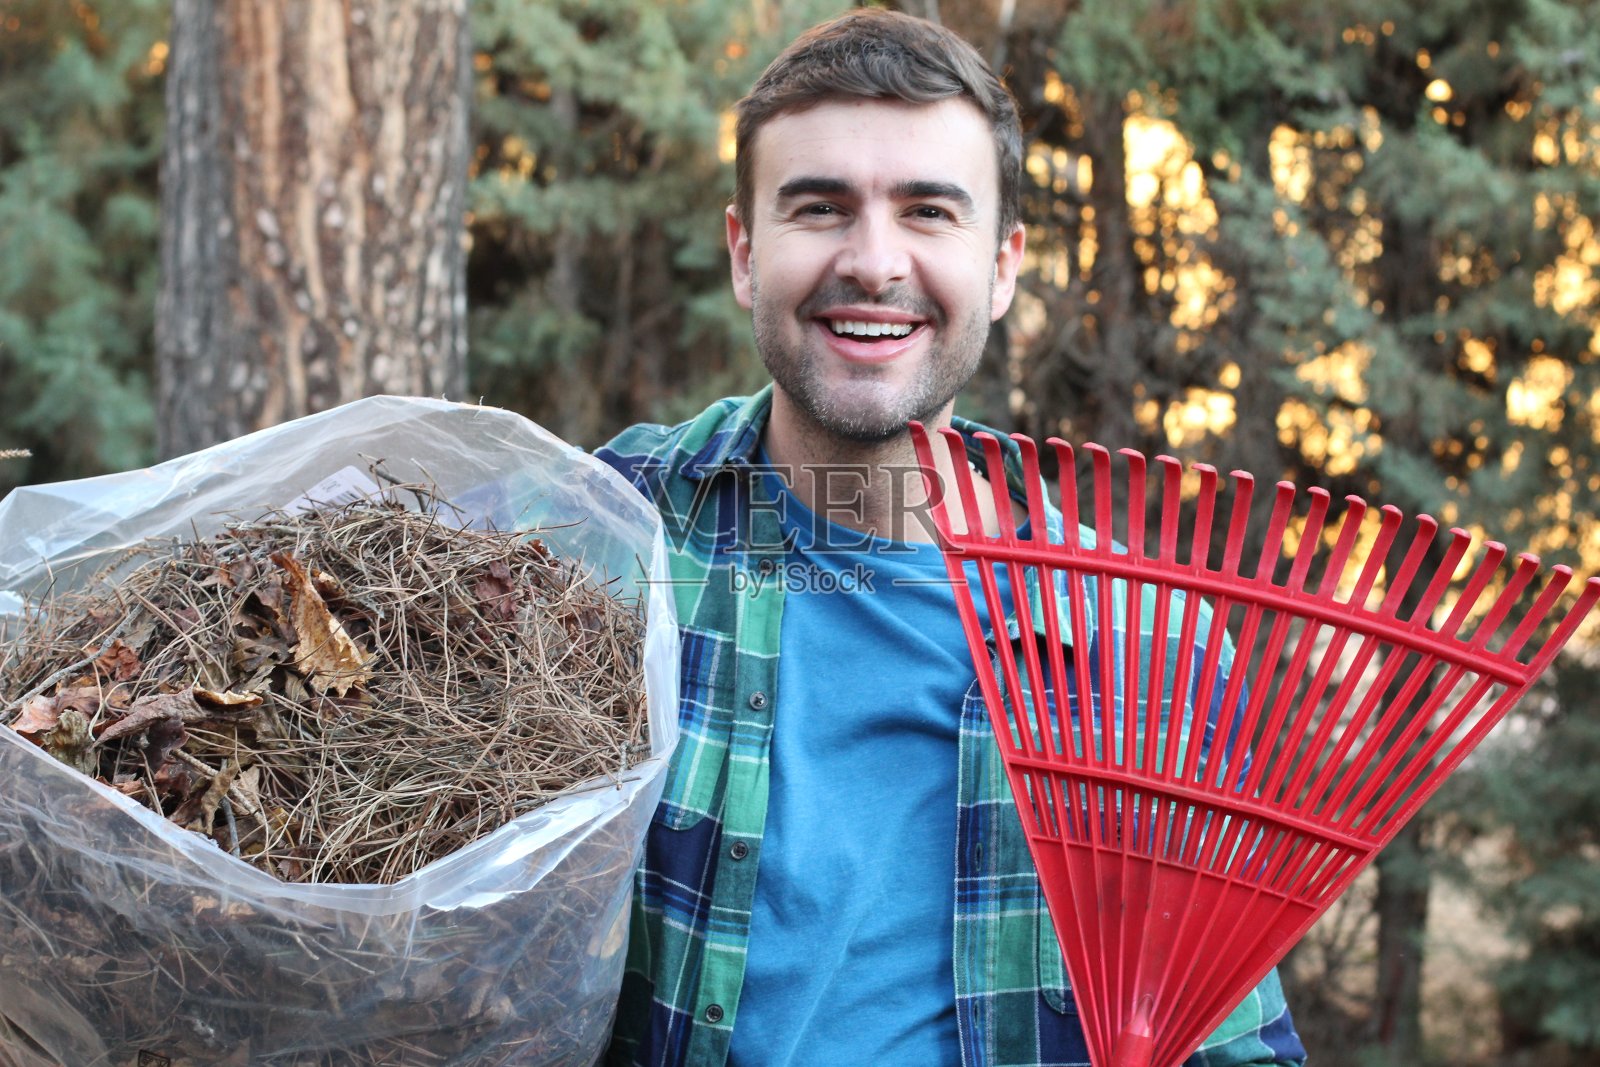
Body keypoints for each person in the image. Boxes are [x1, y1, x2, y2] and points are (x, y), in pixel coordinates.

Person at [594, 10, 1306, 1066]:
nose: (874, 263)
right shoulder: (603, 537)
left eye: (927, 211)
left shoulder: (1149, 650)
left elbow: (1236, 1044)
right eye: (819, 207)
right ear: (745, 253)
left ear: (1004, 264)